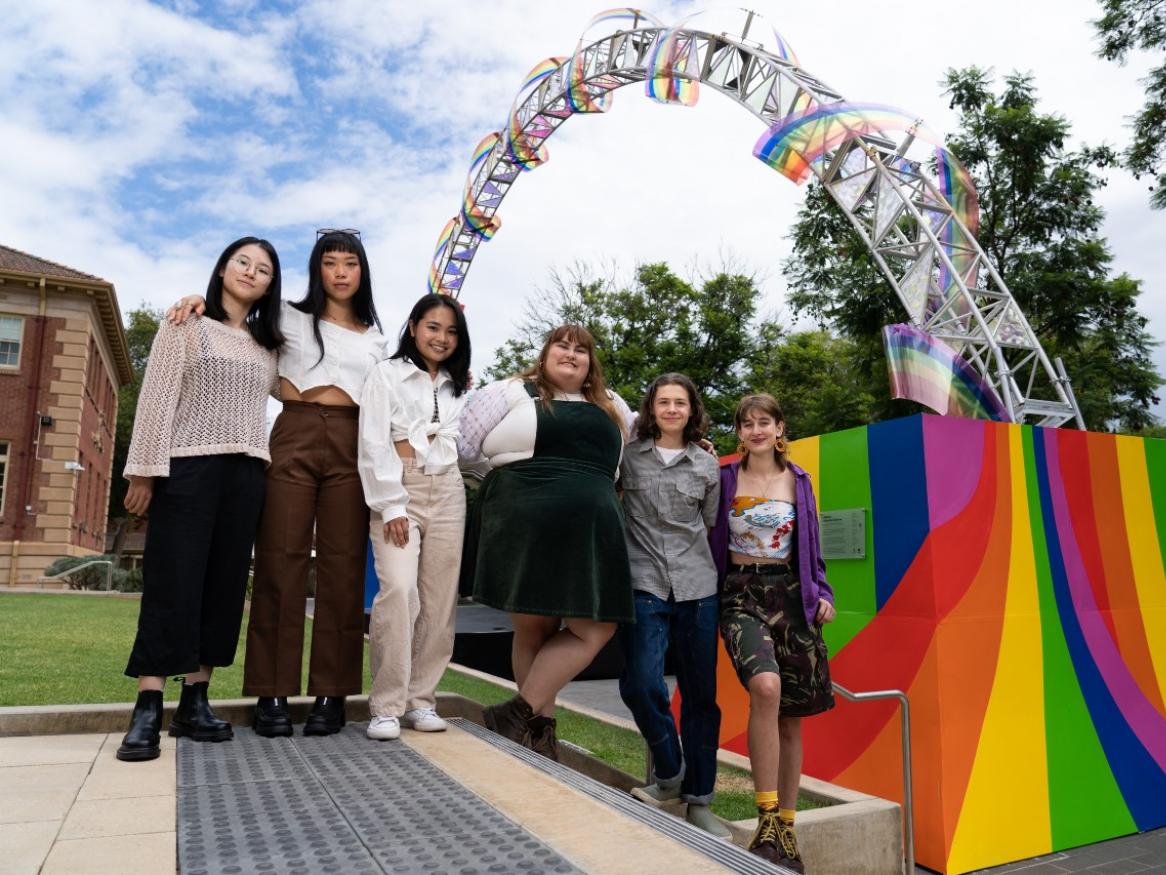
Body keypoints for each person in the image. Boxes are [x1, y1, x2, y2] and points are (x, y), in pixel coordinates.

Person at [169, 229, 386, 737]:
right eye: (329, 262)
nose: (339, 272)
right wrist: (198, 299)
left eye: (349, 263)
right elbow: (236, 314)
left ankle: (332, 694)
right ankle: (272, 694)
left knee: (343, 567)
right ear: (316, 269)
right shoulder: (286, 315)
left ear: (361, 272)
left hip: (353, 441)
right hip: (294, 428)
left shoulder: (376, 337)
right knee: (278, 559)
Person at [117, 237, 283, 762]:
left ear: (269, 285)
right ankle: (148, 704)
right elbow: (157, 399)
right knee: (173, 580)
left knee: (223, 584)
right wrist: (143, 472)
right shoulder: (185, 324)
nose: (251, 272)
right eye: (242, 262)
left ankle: (195, 700)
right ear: (223, 268)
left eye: (263, 269)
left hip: (248, 474)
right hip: (188, 468)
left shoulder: (267, 347)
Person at [458, 325, 634, 760]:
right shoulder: (508, 392)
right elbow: (463, 449)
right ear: (546, 352)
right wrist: (507, 480)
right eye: (562, 345)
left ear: (591, 362)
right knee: (533, 627)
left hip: (590, 527)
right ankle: (539, 738)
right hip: (522, 521)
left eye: (581, 350)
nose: (571, 355)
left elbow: (637, 456)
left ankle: (516, 714)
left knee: (594, 627)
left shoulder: (616, 406)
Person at [708, 393, 837, 872]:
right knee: (765, 686)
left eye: (765, 421)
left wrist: (822, 591)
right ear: (739, 432)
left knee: (791, 716)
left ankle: (786, 827)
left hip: (791, 597)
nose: (757, 429)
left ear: (780, 427)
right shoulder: (723, 478)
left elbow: (812, 548)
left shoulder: (799, 480)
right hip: (740, 593)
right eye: (748, 423)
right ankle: (765, 820)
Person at [617, 373, 729, 838]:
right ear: (650, 409)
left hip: (698, 590)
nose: (671, 409)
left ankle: (700, 800)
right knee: (640, 684)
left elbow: (708, 523)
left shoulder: (707, 466)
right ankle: (670, 771)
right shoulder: (627, 459)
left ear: (691, 410)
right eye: (662, 401)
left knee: (701, 698)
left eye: (679, 402)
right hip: (643, 583)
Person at [358, 293, 471, 741]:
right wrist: (391, 504)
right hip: (399, 484)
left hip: (449, 489)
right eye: (432, 327)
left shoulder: (458, 384)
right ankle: (386, 705)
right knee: (400, 590)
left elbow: (474, 444)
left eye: (451, 331)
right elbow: (372, 442)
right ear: (412, 327)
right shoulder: (387, 374)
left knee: (440, 600)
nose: (441, 338)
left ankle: (421, 700)